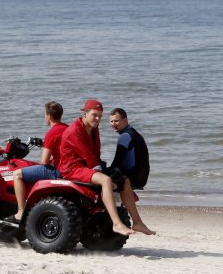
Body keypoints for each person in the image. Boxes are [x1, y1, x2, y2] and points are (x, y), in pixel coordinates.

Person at [59, 99, 155, 236]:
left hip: (88, 167)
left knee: (124, 180)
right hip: (72, 168)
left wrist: (111, 173)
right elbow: (88, 156)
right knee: (106, 181)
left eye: (100, 116)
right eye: (94, 115)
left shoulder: (93, 128)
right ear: (85, 113)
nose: (97, 119)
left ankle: (138, 222)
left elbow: (96, 154)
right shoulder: (74, 130)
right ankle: (116, 223)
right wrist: (106, 176)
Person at [12, 101, 68, 216]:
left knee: (17, 174)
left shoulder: (51, 132)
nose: (44, 117)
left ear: (49, 116)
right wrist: (44, 144)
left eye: (45, 114)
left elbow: (44, 161)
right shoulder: (68, 128)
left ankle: (20, 211)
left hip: (58, 170)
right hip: (68, 167)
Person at [109, 108, 150, 190]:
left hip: (132, 179)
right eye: (111, 121)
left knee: (101, 179)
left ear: (125, 120)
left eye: (116, 121)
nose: (113, 124)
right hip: (143, 179)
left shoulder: (124, 136)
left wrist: (104, 171)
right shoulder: (136, 134)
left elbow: (117, 162)